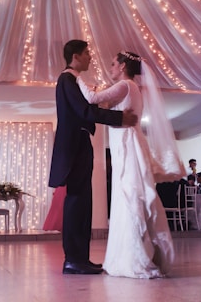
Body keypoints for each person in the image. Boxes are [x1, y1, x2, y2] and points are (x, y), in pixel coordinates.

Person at [75, 50, 186, 278]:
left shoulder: (125, 85)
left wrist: (76, 76)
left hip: (127, 146)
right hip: (124, 144)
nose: (111, 68)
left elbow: (92, 99)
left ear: (124, 66)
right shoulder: (130, 88)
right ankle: (134, 253)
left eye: (114, 63)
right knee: (127, 197)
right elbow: (103, 107)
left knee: (130, 196)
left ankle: (136, 257)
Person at [48, 40, 138, 275]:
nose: (90, 57)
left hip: (80, 144)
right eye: (87, 54)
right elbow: (84, 110)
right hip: (74, 146)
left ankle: (80, 258)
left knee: (82, 203)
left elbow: (86, 108)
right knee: (77, 202)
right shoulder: (67, 79)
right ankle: (73, 259)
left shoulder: (72, 80)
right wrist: (120, 119)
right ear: (76, 57)